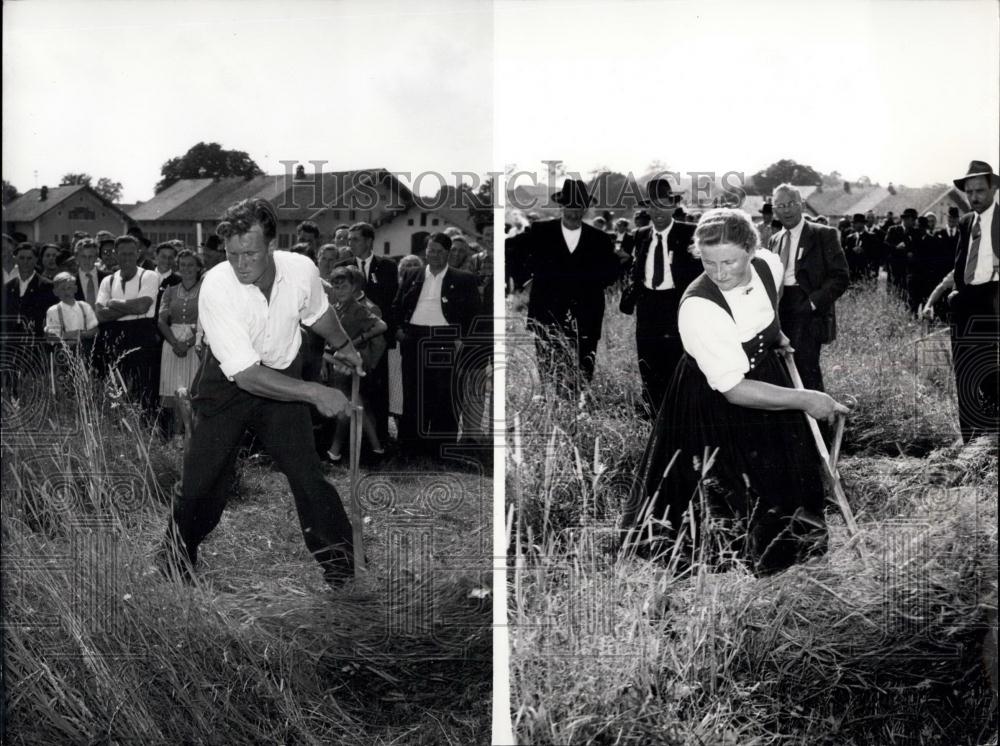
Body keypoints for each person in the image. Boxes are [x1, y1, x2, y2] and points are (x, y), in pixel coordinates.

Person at [620, 208, 849, 576]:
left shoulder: (769, 265)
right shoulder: (699, 307)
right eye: (709, 263)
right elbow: (734, 389)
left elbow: (765, 307)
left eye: (729, 261)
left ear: (751, 250)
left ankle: (788, 561)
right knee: (725, 492)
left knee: (783, 473)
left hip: (762, 373)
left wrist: (775, 335)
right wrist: (806, 399)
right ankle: (728, 573)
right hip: (715, 398)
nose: (719, 273)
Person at [156, 197, 363, 586]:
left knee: (308, 477)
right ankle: (174, 563)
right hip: (227, 386)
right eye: (232, 254)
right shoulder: (217, 286)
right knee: (203, 483)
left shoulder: (301, 270)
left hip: (281, 380)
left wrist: (344, 345)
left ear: (272, 245)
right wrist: (316, 393)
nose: (240, 264)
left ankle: (343, 573)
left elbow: (317, 312)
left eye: (250, 253)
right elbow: (248, 376)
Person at [505, 179, 620, 385]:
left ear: (585, 208)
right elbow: (511, 250)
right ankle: (553, 407)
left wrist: (588, 284)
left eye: (579, 208)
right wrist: (525, 279)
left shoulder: (599, 239)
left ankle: (579, 405)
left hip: (586, 314)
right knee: (549, 367)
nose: (575, 213)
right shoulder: (541, 231)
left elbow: (611, 272)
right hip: (547, 311)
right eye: (570, 207)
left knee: (582, 370)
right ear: (561, 206)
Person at [920, 160, 998, 443]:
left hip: (993, 303)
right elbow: (960, 264)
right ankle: (972, 444)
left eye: (980, 190)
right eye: (969, 192)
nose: (974, 197)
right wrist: (952, 294)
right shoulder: (966, 222)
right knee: (966, 378)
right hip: (965, 306)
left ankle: (992, 439)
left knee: (990, 375)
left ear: (993, 188)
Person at [392, 232, 480, 456]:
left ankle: (440, 448)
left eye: (440, 252)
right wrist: (400, 331)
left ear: (448, 254)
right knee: (413, 393)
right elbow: (397, 306)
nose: (434, 255)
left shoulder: (464, 279)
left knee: (443, 394)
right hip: (413, 337)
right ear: (425, 251)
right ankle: (411, 445)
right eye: (431, 250)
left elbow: (473, 315)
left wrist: (461, 339)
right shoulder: (412, 274)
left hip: (445, 337)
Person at [619, 178, 701, 417]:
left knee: (676, 359)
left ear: (673, 205)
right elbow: (637, 268)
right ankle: (652, 413)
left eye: (663, 205)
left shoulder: (689, 233)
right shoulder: (641, 234)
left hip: (675, 304)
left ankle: (677, 411)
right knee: (647, 358)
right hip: (648, 305)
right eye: (653, 206)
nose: (658, 211)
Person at [767, 183, 849, 393]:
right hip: (779, 310)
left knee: (806, 370)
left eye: (791, 204)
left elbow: (840, 277)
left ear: (802, 205)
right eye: (781, 205)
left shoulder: (824, 234)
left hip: (807, 310)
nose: (786, 210)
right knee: (781, 372)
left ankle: (820, 423)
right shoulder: (774, 240)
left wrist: (812, 303)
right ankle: (794, 424)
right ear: (774, 209)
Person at [322, 265, 388, 464]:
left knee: (349, 405)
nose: (339, 290)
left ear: (353, 288)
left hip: (349, 362)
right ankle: (376, 450)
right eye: (335, 286)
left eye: (343, 286)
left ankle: (336, 451)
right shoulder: (336, 307)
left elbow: (381, 326)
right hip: (337, 360)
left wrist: (356, 342)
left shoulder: (357, 308)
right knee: (355, 404)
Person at [340, 222, 399, 445]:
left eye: (355, 239)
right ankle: (351, 443)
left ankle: (379, 442)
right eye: (348, 240)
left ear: (368, 241)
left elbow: (387, 298)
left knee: (377, 390)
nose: (350, 244)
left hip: (377, 338)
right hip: (351, 338)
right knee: (351, 390)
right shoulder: (343, 266)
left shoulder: (387, 266)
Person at [95, 235, 161, 415]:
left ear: (138, 254)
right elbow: (100, 315)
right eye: (122, 254)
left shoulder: (149, 275)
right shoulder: (107, 280)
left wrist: (113, 302)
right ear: (115, 255)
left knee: (145, 389)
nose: (127, 258)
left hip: (143, 335)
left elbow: (143, 306)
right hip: (116, 336)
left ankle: (147, 434)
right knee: (118, 389)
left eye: (131, 254)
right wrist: (132, 307)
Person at [157, 249, 204, 437]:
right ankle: (177, 436)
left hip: (195, 342)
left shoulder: (205, 290)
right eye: (183, 265)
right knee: (173, 390)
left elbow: (207, 321)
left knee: (191, 390)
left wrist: (189, 343)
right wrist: (175, 343)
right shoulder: (170, 290)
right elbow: (161, 320)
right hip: (172, 341)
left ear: (199, 267)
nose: (186, 269)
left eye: (191, 265)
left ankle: (192, 436)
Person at [44, 272, 99, 369]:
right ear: (55, 292)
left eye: (69, 288)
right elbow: (53, 337)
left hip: (85, 352)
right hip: (63, 355)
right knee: (65, 379)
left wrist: (75, 335)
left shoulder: (84, 306)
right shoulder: (53, 311)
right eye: (62, 289)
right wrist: (80, 333)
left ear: (75, 289)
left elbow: (95, 330)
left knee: (87, 378)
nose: (66, 292)